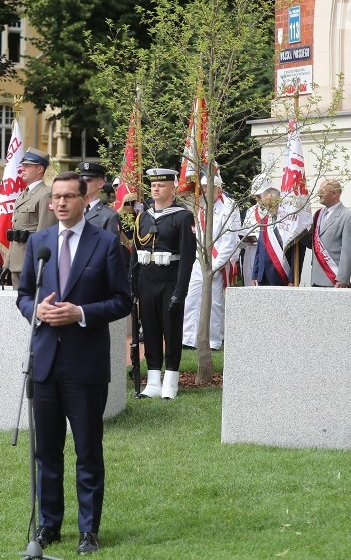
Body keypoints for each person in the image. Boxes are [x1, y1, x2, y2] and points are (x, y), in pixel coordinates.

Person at [16, 171, 130, 556]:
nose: (61, 203)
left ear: (85, 199)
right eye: (57, 197)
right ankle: (48, 526)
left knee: (87, 452)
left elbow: (121, 300)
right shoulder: (39, 243)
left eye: (69, 196)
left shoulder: (107, 244)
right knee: (46, 452)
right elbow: (23, 297)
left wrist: (80, 312)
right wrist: (39, 311)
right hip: (45, 363)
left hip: (85, 367)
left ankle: (88, 531)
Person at [134, 169, 196, 400]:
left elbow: (188, 257)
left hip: (170, 281)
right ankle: (152, 382)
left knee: (171, 330)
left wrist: (181, 290)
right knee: (149, 330)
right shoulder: (144, 216)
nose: (155, 188)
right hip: (147, 280)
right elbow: (136, 252)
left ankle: (170, 381)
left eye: (161, 185)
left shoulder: (182, 216)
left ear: (172, 187)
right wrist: (134, 285)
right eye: (152, 185)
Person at [182, 173, 241, 351]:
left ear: (219, 189)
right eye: (204, 187)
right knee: (192, 297)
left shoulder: (228, 208)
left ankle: (214, 341)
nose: (206, 191)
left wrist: (216, 267)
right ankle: (189, 338)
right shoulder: (200, 207)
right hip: (199, 260)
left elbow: (229, 242)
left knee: (215, 302)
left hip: (217, 262)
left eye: (210, 187)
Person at [2, 148, 57, 287]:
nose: (22, 169)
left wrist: (39, 263)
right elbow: (15, 232)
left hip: (31, 262)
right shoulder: (22, 195)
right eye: (22, 165)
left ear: (39, 169)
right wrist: (7, 263)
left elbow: (45, 232)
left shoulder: (46, 195)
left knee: (33, 305)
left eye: (27, 166)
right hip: (16, 262)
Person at [308, 178, 351, 288]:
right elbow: (311, 243)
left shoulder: (348, 216)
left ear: (334, 194)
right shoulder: (318, 215)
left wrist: (342, 278)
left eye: (322, 191)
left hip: (334, 281)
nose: (318, 194)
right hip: (315, 279)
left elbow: (349, 250)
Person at [251, 187, 305, 286]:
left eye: (270, 204)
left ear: (278, 202)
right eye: (265, 204)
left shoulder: (289, 222)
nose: (267, 208)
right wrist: (255, 274)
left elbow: (296, 253)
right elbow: (259, 248)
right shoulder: (265, 221)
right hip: (262, 276)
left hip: (280, 275)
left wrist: (292, 280)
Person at [79, 161, 119, 237]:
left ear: (100, 183)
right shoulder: (73, 210)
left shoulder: (109, 216)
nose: (83, 184)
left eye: (88, 180)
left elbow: (112, 247)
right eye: (82, 180)